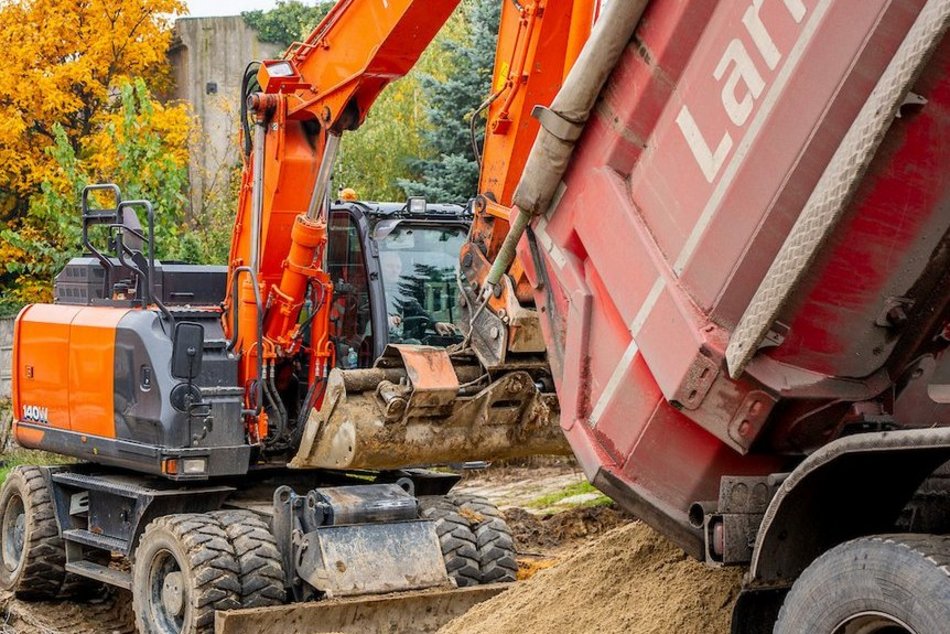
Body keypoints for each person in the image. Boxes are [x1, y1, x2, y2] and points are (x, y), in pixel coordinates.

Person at [378, 251, 460, 340]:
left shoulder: (401, 290)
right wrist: (385, 319)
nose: (395, 271)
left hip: (395, 336)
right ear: (379, 267)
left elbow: (417, 309)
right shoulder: (370, 288)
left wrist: (435, 323)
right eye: (390, 266)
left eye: (398, 267)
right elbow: (365, 313)